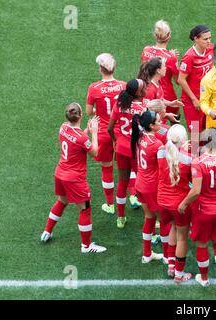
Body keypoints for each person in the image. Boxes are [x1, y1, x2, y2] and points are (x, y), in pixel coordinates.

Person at [40, 103, 106, 253]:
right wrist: (94, 132)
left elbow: (75, 139)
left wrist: (86, 132)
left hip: (60, 174)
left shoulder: (63, 127)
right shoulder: (82, 138)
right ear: (81, 115)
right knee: (85, 210)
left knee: (62, 201)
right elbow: (95, 152)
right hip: (74, 178)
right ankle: (86, 246)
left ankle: (47, 232)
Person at [178, 128, 216, 294]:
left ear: (204, 142)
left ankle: (204, 279)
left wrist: (183, 203)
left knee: (202, 244)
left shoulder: (198, 162)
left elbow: (195, 191)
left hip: (203, 210)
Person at [86, 53, 126, 215]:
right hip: (121, 131)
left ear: (100, 69)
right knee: (127, 167)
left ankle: (110, 204)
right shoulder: (123, 85)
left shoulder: (94, 88)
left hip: (103, 132)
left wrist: (100, 110)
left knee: (107, 168)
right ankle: (132, 198)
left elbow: (89, 112)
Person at [108, 79, 147, 228]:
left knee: (122, 183)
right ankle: (149, 218)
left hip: (121, 148)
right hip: (136, 150)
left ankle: (121, 218)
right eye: (143, 87)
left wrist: (114, 141)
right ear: (138, 92)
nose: (145, 89)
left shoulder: (119, 104)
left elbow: (110, 128)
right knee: (143, 183)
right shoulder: (142, 108)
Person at [157, 124, 193, 283]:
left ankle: (171, 266)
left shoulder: (160, 152)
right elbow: (193, 181)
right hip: (179, 203)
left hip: (162, 201)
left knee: (172, 227)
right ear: (183, 140)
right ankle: (179, 275)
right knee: (182, 237)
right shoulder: (187, 158)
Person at [130, 110, 165, 264]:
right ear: (151, 125)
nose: (161, 122)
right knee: (165, 221)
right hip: (152, 187)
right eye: (158, 121)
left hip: (140, 184)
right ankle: (169, 257)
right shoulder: (157, 144)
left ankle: (147, 254)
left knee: (149, 218)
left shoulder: (140, 136)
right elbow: (164, 168)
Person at [177, 25, 213, 133]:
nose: (208, 41)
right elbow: (181, 79)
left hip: (207, 97)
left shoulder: (210, 49)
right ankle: (195, 150)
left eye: (209, 38)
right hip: (192, 101)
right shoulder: (189, 57)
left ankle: (206, 150)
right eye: (205, 39)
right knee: (196, 133)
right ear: (196, 39)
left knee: (208, 128)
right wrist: (194, 100)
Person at [141, 19, 180, 116]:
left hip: (148, 92)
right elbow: (178, 81)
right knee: (174, 121)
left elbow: (143, 70)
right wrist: (175, 60)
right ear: (169, 35)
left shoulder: (146, 50)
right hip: (166, 95)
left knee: (152, 121)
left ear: (155, 35)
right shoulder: (171, 57)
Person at [139, 57, 183, 122]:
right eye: (164, 66)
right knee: (194, 125)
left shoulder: (157, 83)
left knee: (178, 129)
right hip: (151, 126)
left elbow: (159, 99)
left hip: (157, 122)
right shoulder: (150, 90)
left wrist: (170, 103)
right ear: (158, 70)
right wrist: (166, 115)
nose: (165, 68)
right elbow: (147, 113)